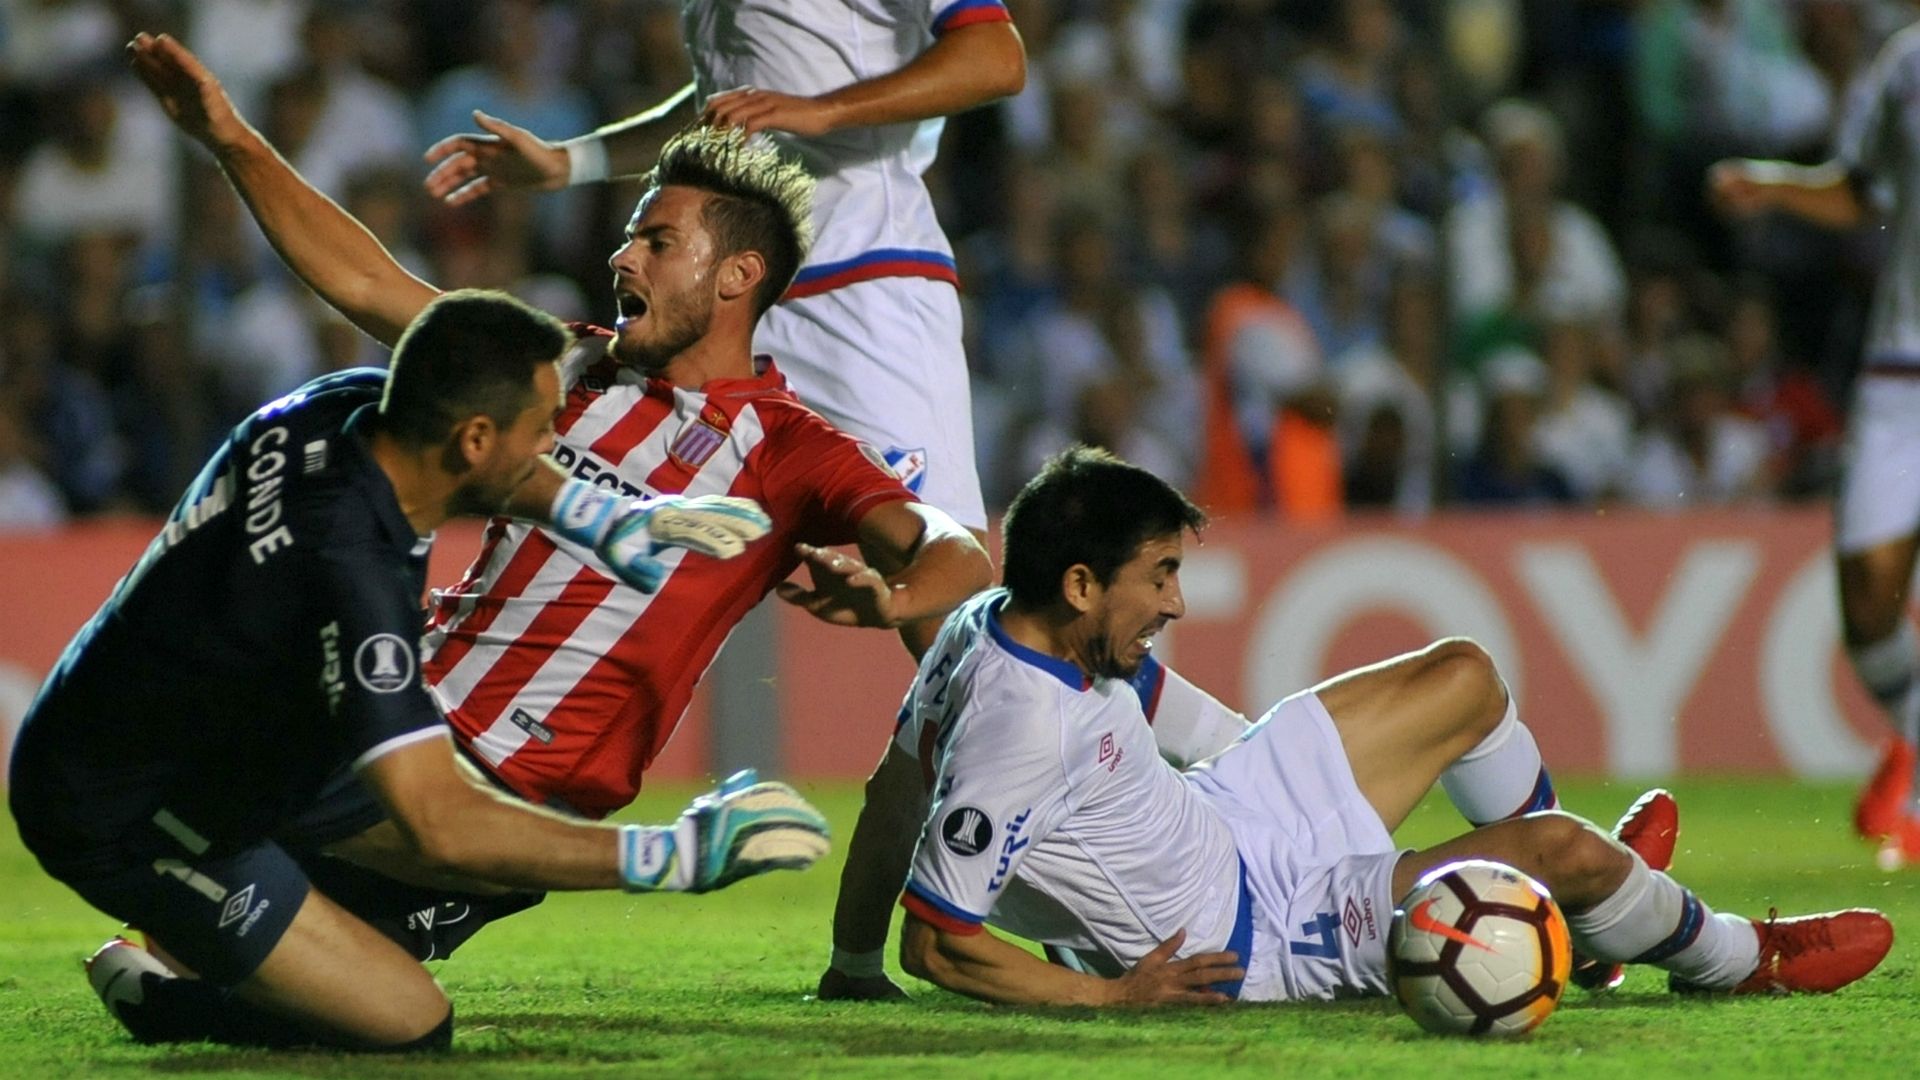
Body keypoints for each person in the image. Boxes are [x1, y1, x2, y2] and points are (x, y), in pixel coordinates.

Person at [127, 30, 991, 962]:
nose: (625, 260)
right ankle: (349, 919)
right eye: (628, 237)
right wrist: (230, 139)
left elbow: (956, 552)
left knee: (184, 776)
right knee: (165, 970)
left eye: (659, 242)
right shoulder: (568, 364)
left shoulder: (789, 447)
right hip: (396, 720)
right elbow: (372, 284)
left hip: (509, 786)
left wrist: (893, 599)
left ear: (738, 276)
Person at [7, 287, 832, 1051]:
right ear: (474, 440)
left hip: (200, 724)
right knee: (411, 1020)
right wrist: (675, 856)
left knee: (504, 866)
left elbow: (490, 464)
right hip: (132, 806)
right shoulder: (353, 574)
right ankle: (169, 999)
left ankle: (277, 924)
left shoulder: (346, 404)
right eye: (544, 428)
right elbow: (441, 822)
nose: (556, 447)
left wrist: (608, 518)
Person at [853, 447, 1892, 1006]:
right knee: (1559, 853)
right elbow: (942, 943)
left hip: (1231, 814)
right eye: (1160, 577)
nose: (1176, 602)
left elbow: (897, 786)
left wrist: (847, 965)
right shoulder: (1018, 730)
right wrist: (1118, 999)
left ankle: (1579, 935)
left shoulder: (993, 622)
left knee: (1466, 680)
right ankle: (1741, 954)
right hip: (1256, 934)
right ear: (1081, 582)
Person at [418, 0, 1027, 537]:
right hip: (724, 304)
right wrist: (570, 162)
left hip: (861, 285)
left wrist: (823, 110)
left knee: (931, 568)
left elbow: (996, 57)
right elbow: (731, 110)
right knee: (651, 540)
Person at [1709, 19, 1920, 865]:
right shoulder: (1905, 59)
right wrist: (1774, 185)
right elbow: (1862, 193)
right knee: (1867, 610)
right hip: (1900, 372)